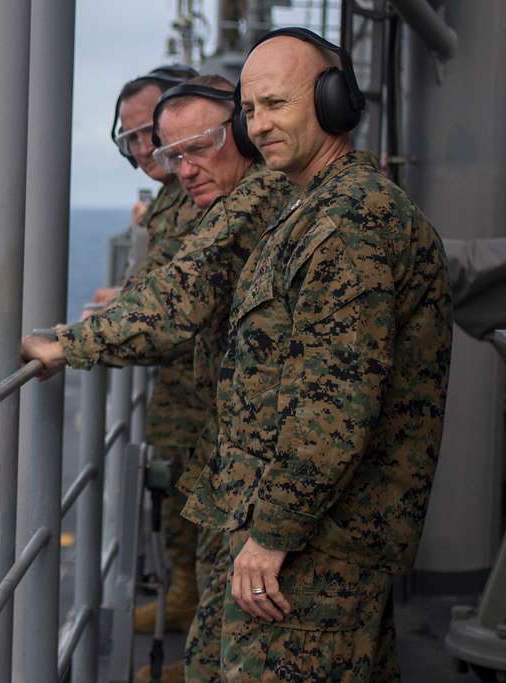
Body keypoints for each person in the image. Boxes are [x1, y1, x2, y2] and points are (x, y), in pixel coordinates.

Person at [176, 28, 453, 680]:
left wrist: (271, 534)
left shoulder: (347, 223)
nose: (259, 125)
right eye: (248, 112)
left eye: (275, 104)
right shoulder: (314, 208)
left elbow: (336, 406)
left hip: (313, 551)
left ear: (330, 102)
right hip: (326, 540)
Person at [21, 74, 296, 682]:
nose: (175, 166)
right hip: (242, 436)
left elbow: (180, 298)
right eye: (163, 151)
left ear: (243, 135)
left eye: (194, 148)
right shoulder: (256, 196)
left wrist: (67, 344)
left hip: (273, 460)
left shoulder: (261, 198)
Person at [103, 65, 209, 642]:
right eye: (131, 139)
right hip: (183, 380)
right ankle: (184, 599)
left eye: (151, 133)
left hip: (207, 387)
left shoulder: (210, 194)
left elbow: (179, 304)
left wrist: (75, 345)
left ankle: (196, 625)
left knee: (200, 502)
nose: (144, 150)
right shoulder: (176, 195)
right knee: (174, 488)